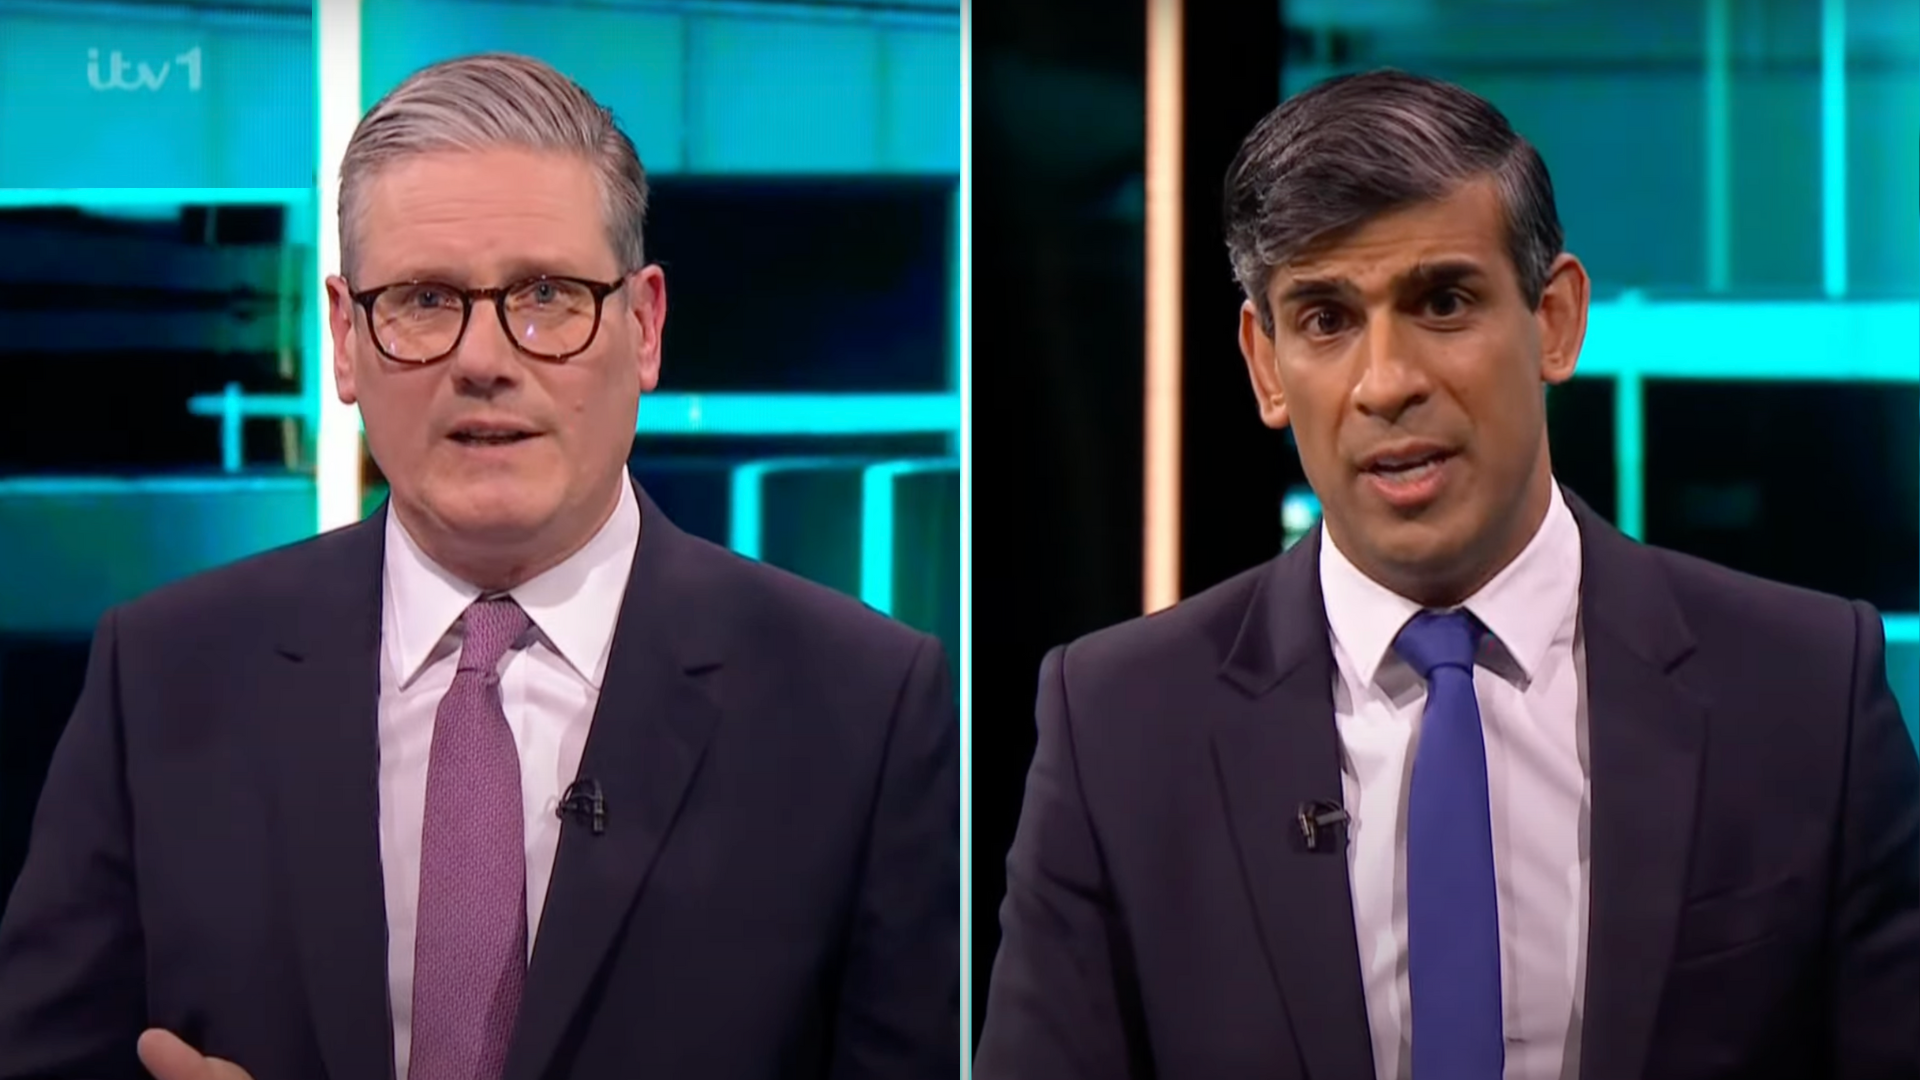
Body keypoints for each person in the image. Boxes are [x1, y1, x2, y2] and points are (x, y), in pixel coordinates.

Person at [0, 52, 957, 1080]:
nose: (484, 357)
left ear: (643, 326)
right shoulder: (161, 674)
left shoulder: (865, 708)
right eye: (422, 299)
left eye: (546, 294)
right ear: (345, 341)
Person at [974, 69, 1919, 1079]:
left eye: (1443, 301)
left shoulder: (1806, 692)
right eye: (1327, 319)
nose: (1387, 383)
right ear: (1264, 364)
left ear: (1554, 320)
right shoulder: (1118, 725)